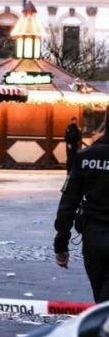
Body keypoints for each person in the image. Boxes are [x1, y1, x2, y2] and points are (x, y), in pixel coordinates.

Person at [54, 108, 109, 302]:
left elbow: (68, 203)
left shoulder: (85, 157)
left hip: (93, 237)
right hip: (93, 231)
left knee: (100, 298)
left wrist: (61, 242)